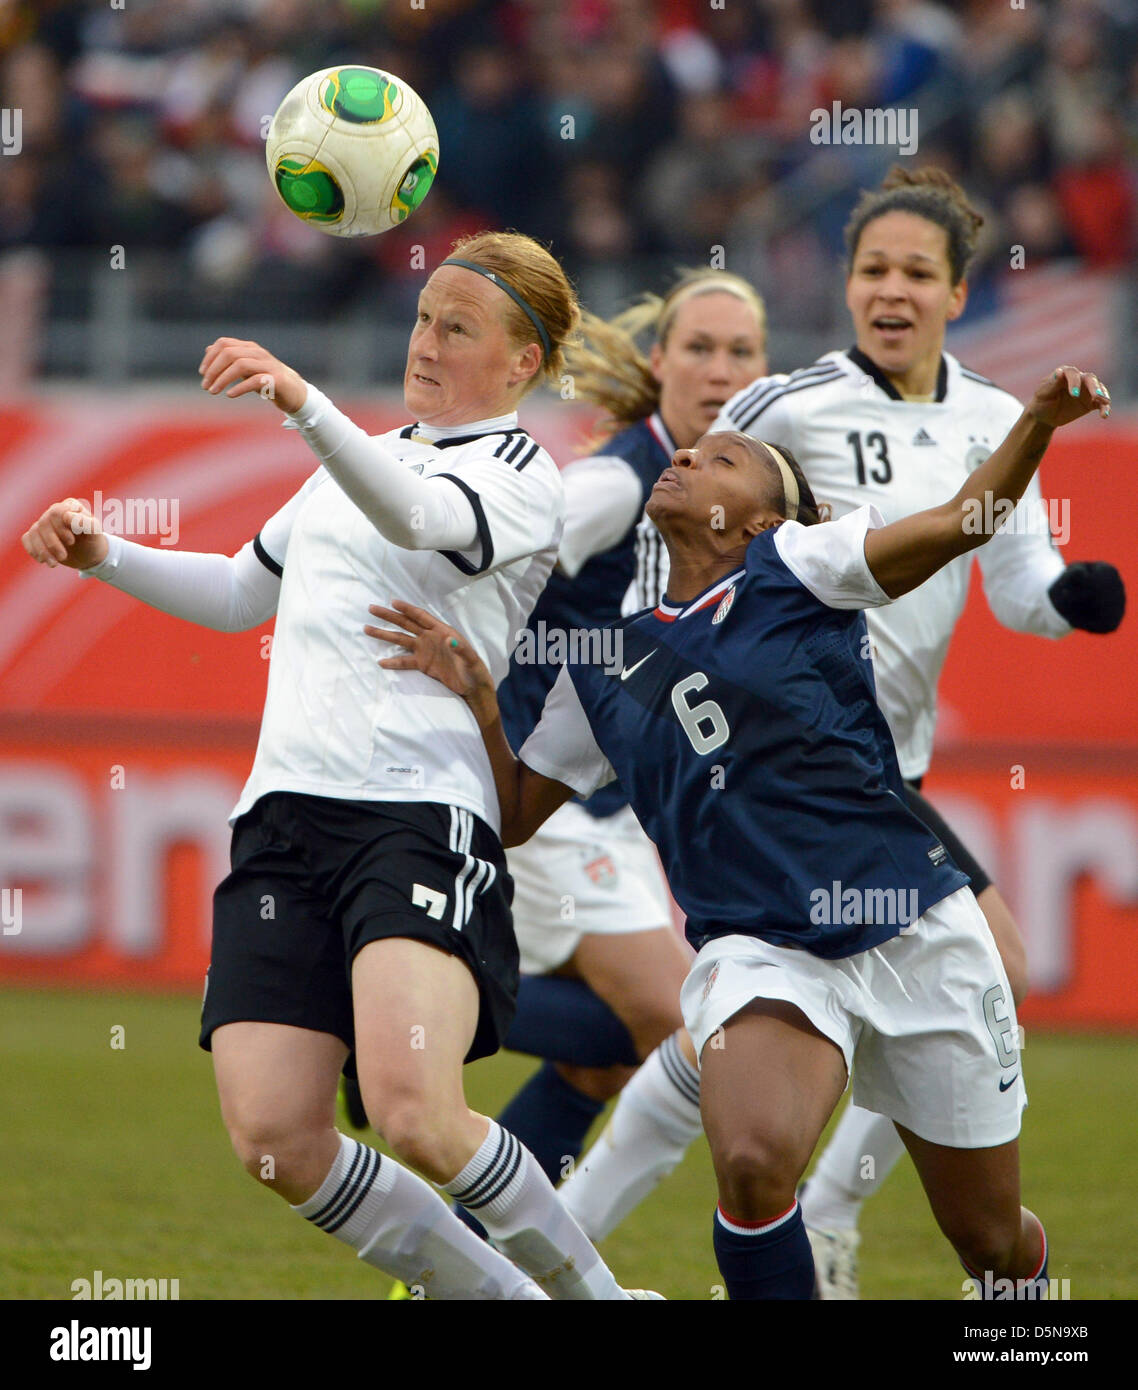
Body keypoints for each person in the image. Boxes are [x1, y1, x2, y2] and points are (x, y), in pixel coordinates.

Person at [367, 363, 1111, 1299]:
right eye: (688, 446)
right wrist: (481, 701)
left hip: (916, 930)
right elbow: (511, 814)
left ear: (762, 519)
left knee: (989, 1238)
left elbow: (965, 518)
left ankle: (1028, 1296)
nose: (685, 453)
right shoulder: (604, 661)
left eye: (722, 457)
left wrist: (1038, 421)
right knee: (757, 1164)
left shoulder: (800, 565)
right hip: (761, 948)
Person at [21, 231, 648, 1301]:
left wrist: (301, 402)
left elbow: (422, 517)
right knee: (274, 1134)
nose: (427, 340)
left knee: (415, 1108)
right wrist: (103, 555)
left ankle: (595, 1296)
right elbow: (234, 593)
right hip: (282, 820)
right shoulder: (355, 461)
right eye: (421, 316)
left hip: (415, 813)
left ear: (521, 364)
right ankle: (499, 1297)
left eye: (459, 327)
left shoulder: (519, 471)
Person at [554, 167, 1126, 1294]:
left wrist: (1066, 602)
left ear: (959, 293)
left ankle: (576, 1236)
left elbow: (1009, 576)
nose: (891, 290)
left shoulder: (988, 419)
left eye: (917, 271)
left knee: (732, 1052)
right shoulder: (784, 406)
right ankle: (783, 1218)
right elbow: (708, 517)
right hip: (780, 774)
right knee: (781, 1062)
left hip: (879, 783)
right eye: (872, 269)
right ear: (848, 285)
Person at [457, 270, 768, 1196]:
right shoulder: (613, 482)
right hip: (547, 792)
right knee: (691, 1033)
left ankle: (457, 1276)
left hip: (609, 805)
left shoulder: (743, 491)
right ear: (660, 361)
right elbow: (503, 545)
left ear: (765, 371)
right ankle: (382, 1003)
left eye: (740, 351)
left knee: (606, 1061)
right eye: (699, 349)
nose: (720, 369)